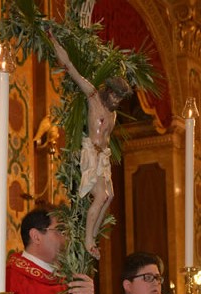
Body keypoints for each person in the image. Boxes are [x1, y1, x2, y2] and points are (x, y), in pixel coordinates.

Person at [49, 31, 132, 259]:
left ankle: (92, 234)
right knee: (102, 196)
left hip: (102, 156)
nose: (116, 102)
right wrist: (54, 40)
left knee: (111, 196)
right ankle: (88, 240)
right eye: (114, 97)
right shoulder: (94, 97)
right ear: (108, 91)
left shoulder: (113, 115)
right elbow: (70, 68)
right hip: (90, 154)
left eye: (119, 100)